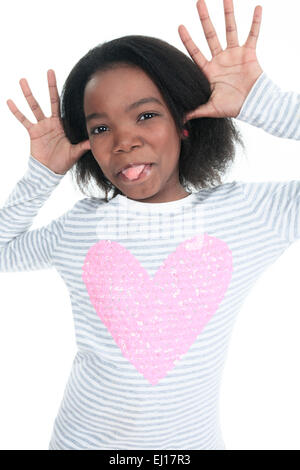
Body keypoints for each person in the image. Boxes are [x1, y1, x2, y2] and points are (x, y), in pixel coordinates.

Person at [1, 0, 299, 450]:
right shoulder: (80, 227)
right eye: (101, 128)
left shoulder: (250, 214)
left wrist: (265, 104)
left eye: (145, 115)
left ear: (183, 122)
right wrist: (42, 175)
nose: (124, 141)